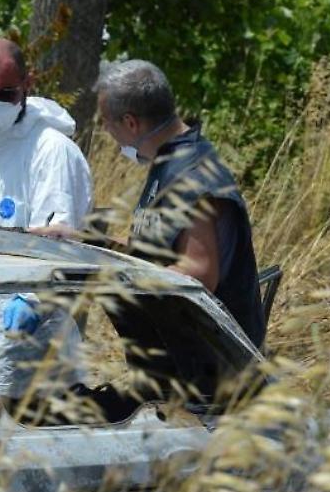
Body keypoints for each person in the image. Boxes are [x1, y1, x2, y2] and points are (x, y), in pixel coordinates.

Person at [93, 59, 266, 347]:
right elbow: (159, 249)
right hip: (176, 352)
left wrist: (119, 276)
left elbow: (198, 273)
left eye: (107, 125)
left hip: (211, 367)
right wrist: (91, 246)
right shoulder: (169, 162)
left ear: (130, 123)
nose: (108, 135)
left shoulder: (194, 175)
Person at [0, 37, 93, 398]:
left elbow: (59, 243)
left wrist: (31, 300)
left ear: (27, 84)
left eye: (4, 94)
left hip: (40, 350)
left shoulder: (52, 150)